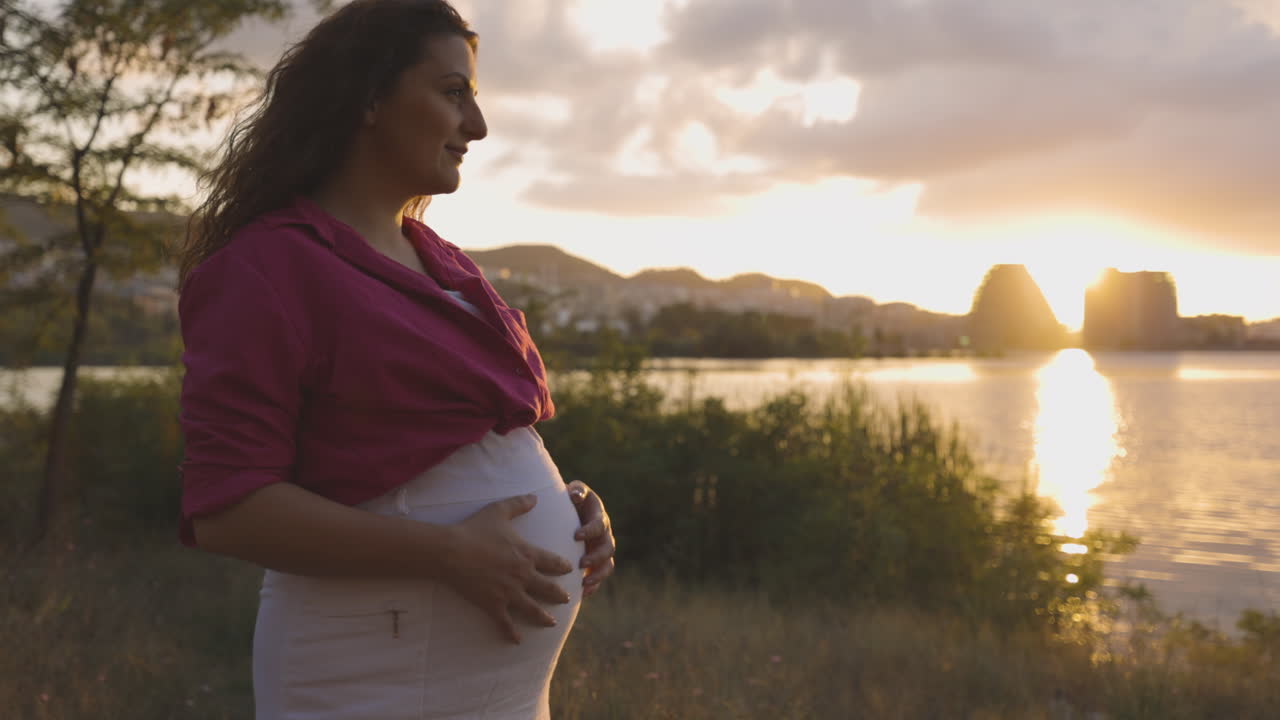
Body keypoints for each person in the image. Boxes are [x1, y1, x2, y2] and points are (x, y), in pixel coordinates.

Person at [173, 1, 616, 717]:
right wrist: (448, 553)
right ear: (369, 97)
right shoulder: (265, 265)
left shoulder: (443, 262)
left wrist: (566, 510)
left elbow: (455, 440)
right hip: (372, 678)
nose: (477, 125)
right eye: (451, 93)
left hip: (500, 694)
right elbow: (230, 510)